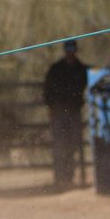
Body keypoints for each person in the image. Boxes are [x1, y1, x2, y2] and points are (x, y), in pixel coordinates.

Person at [43, 39, 88, 188]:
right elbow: (47, 90)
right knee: (59, 145)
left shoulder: (81, 69)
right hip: (59, 111)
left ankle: (69, 177)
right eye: (68, 50)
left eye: (72, 50)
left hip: (74, 111)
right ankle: (59, 178)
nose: (70, 53)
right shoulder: (56, 69)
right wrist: (51, 108)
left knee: (73, 144)